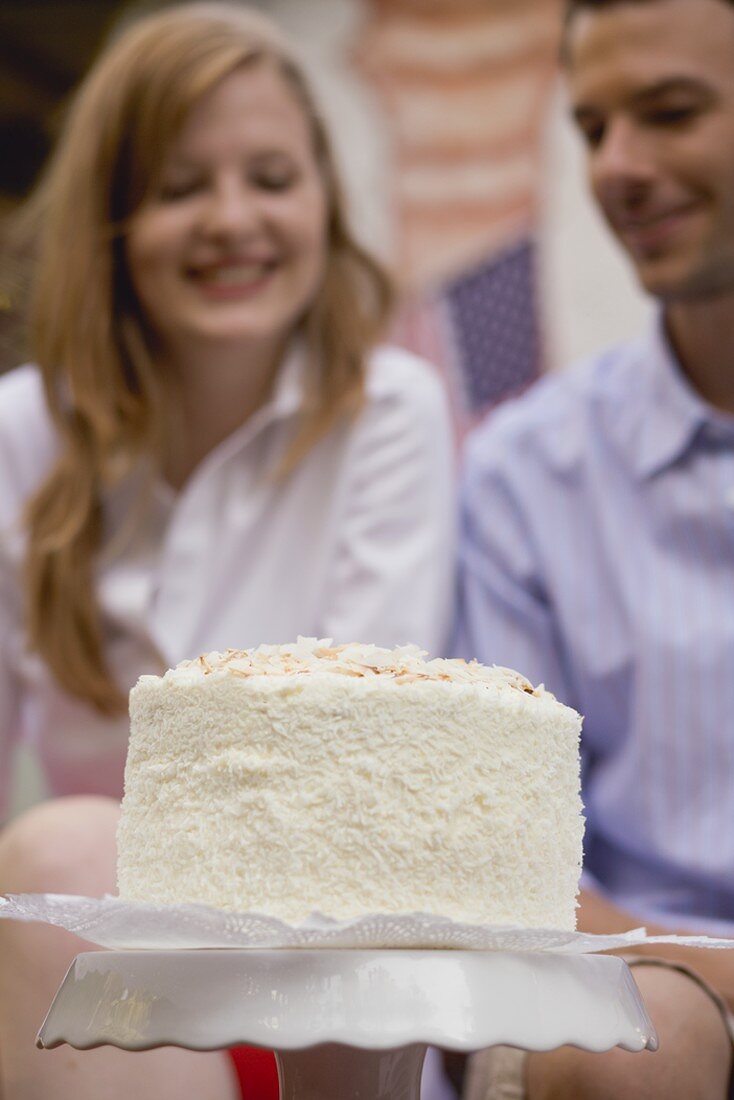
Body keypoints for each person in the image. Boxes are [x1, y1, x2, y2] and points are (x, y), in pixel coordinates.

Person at [0, 5, 455, 1098]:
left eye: (270, 176)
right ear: (109, 223)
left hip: (315, 960)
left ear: (324, 201)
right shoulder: (22, 430)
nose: (232, 219)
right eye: (178, 186)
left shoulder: (387, 410)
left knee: (68, 843)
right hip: (100, 976)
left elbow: (356, 754)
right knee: (59, 851)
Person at [456, 0, 734, 1097]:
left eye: (668, 112)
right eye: (589, 128)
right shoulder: (522, 471)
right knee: (638, 1037)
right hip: (628, 987)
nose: (616, 167)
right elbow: (506, 866)